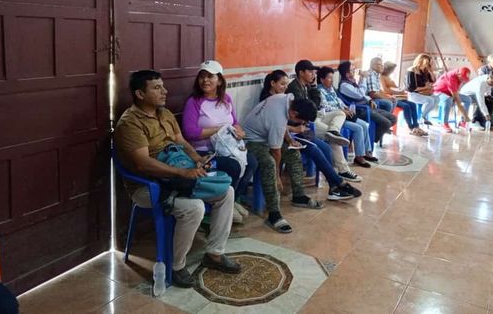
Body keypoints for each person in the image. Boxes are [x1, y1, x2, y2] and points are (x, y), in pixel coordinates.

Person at [114, 70, 241, 288]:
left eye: (163, 86)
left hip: (177, 176)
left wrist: (197, 160)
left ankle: (215, 253)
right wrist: (182, 173)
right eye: (157, 88)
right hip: (149, 186)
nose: (164, 91)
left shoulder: (164, 114)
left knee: (226, 192)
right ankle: (176, 265)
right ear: (140, 94)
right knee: (195, 208)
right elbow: (143, 164)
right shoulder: (130, 123)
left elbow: (181, 141)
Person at [243, 94, 359, 234]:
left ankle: (298, 196)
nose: (302, 124)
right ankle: (274, 214)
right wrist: (277, 177)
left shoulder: (286, 99)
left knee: (294, 153)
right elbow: (275, 151)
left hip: (266, 137)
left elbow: (282, 127)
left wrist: (290, 141)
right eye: (301, 121)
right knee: (269, 164)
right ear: (294, 113)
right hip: (252, 141)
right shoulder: (278, 117)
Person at [182, 60, 258, 223]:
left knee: (252, 161)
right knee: (233, 166)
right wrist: (219, 129)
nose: (205, 80)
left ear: (220, 81)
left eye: (210, 76)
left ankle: (233, 200)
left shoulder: (226, 99)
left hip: (227, 148)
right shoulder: (194, 102)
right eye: (202, 76)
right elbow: (190, 132)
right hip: (204, 153)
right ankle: (219, 208)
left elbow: (235, 122)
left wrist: (239, 131)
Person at [261, 70, 366, 182]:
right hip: (292, 132)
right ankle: (337, 178)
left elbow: (311, 107)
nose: (286, 87)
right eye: (282, 84)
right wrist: (295, 129)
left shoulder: (296, 91)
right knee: (321, 147)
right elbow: (281, 123)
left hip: (302, 126)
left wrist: (313, 89)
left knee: (337, 121)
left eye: (286, 84)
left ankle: (333, 133)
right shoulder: (273, 100)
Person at [317, 66, 376, 174]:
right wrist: (341, 110)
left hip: (342, 115)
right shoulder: (319, 91)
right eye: (329, 78)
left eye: (332, 78)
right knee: (358, 128)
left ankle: (367, 152)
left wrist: (345, 107)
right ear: (321, 79)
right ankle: (359, 156)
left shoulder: (331, 89)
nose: (332, 80)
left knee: (364, 124)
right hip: (333, 118)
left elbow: (338, 101)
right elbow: (324, 107)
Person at [286, 59, 349, 146]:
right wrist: (313, 92)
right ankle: (332, 134)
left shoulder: (307, 85)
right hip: (306, 121)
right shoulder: (294, 88)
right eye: (310, 72)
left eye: (314, 72)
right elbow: (308, 110)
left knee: (340, 113)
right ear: (301, 73)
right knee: (333, 138)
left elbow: (316, 103)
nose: (313, 75)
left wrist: (313, 86)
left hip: (316, 115)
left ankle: (333, 130)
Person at [337, 60, 396, 152]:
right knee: (386, 123)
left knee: (393, 118)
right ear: (347, 73)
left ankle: (371, 138)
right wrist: (363, 78)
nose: (354, 71)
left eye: (354, 69)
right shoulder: (344, 85)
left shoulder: (352, 81)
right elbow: (359, 94)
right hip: (360, 110)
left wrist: (369, 100)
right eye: (352, 70)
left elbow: (363, 95)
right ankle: (370, 142)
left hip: (367, 106)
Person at [380, 60, 428, 137]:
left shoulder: (389, 77)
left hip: (397, 96)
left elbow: (394, 88)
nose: (393, 71)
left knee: (413, 104)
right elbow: (385, 90)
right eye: (392, 70)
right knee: (406, 106)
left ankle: (416, 126)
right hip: (389, 98)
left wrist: (401, 91)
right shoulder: (381, 77)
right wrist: (398, 92)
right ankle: (411, 127)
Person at [433, 67, 472, 133]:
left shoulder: (459, 76)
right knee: (448, 100)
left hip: (449, 93)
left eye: (465, 79)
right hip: (438, 92)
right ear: (459, 75)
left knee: (468, 99)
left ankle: (463, 122)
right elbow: (457, 100)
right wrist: (465, 115)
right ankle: (444, 123)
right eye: (463, 78)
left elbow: (456, 92)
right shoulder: (451, 78)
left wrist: (454, 97)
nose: (463, 80)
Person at [405, 54, 439, 125]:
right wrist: (426, 87)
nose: (427, 65)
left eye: (428, 63)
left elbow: (433, 80)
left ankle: (423, 116)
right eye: (426, 63)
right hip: (413, 94)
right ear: (420, 61)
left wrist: (431, 71)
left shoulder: (424, 71)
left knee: (437, 99)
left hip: (423, 93)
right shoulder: (412, 71)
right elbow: (411, 88)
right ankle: (423, 118)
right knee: (430, 100)